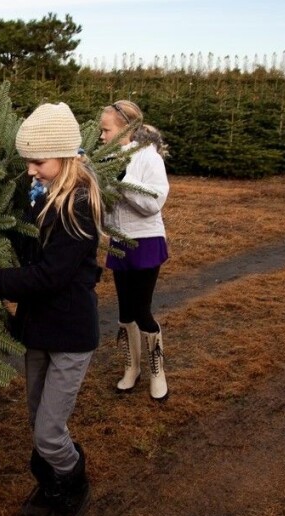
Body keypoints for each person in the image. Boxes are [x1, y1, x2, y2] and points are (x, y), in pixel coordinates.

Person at [0, 102, 102, 516]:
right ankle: (49, 485)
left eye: (38, 161)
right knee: (38, 421)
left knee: (52, 430)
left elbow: (48, 274)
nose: (31, 170)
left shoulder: (77, 207)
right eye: (27, 162)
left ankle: (73, 489)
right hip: (38, 332)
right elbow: (26, 245)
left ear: (65, 157)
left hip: (71, 336)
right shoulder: (40, 195)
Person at [99, 100, 171, 401]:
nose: (101, 136)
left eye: (106, 130)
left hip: (145, 241)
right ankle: (133, 367)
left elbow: (153, 203)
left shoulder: (147, 158)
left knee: (142, 309)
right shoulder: (107, 158)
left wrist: (122, 180)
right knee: (125, 310)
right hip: (120, 241)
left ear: (126, 129)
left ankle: (158, 371)